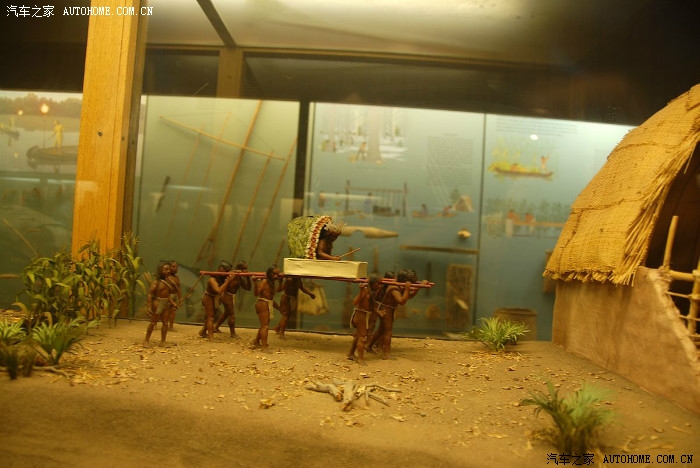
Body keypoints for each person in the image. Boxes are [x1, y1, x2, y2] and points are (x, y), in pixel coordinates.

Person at [368, 270, 419, 360]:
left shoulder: (398, 286)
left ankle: (368, 346)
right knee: (388, 332)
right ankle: (386, 354)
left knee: (381, 330)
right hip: (386, 310)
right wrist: (407, 289)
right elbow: (402, 301)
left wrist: (416, 289)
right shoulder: (394, 288)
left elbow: (409, 296)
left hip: (389, 309)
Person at [347, 273, 382, 365]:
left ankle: (351, 353)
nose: (380, 285)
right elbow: (354, 302)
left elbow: (371, 306)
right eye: (378, 283)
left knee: (359, 336)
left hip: (364, 316)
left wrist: (379, 312)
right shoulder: (365, 291)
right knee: (362, 338)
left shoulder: (371, 292)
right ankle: (360, 359)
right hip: (360, 316)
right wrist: (361, 291)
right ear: (373, 283)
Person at [214, 261, 252, 338]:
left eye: (246, 269)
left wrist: (248, 277)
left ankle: (216, 327)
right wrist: (237, 272)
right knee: (232, 316)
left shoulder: (239, 277)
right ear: (239, 268)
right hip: (226, 296)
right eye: (244, 269)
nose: (245, 270)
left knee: (226, 313)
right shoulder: (232, 274)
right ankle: (233, 333)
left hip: (231, 296)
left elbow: (248, 288)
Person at [199, 260, 235, 341]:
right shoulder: (212, 279)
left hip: (215, 298)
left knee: (211, 316)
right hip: (208, 297)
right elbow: (219, 290)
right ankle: (211, 337)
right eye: (226, 271)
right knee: (211, 317)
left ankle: (203, 332)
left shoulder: (222, 277)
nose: (227, 273)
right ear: (221, 269)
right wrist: (228, 281)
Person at [143, 262, 176, 348]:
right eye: (166, 269)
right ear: (160, 271)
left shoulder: (168, 282)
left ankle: (163, 341)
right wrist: (149, 306)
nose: (168, 271)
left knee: (165, 323)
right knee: (153, 323)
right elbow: (150, 294)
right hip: (157, 303)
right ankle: (146, 340)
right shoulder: (156, 282)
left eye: (169, 269)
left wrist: (172, 303)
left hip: (165, 304)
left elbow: (167, 295)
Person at [252, 266, 281, 353]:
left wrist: (279, 308)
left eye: (277, 274)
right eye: (274, 274)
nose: (276, 276)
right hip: (262, 303)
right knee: (265, 326)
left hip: (267, 303)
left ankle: (256, 342)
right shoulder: (265, 281)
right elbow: (256, 293)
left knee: (264, 325)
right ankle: (264, 347)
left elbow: (270, 299)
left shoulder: (272, 283)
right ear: (269, 273)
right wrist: (255, 283)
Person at [167, 260, 182, 332]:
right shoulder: (166, 277)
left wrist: (180, 299)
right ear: (169, 267)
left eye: (176, 267)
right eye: (173, 267)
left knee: (173, 311)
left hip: (174, 296)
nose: (175, 268)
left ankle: (171, 326)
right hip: (167, 296)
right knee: (165, 311)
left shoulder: (177, 278)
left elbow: (178, 289)